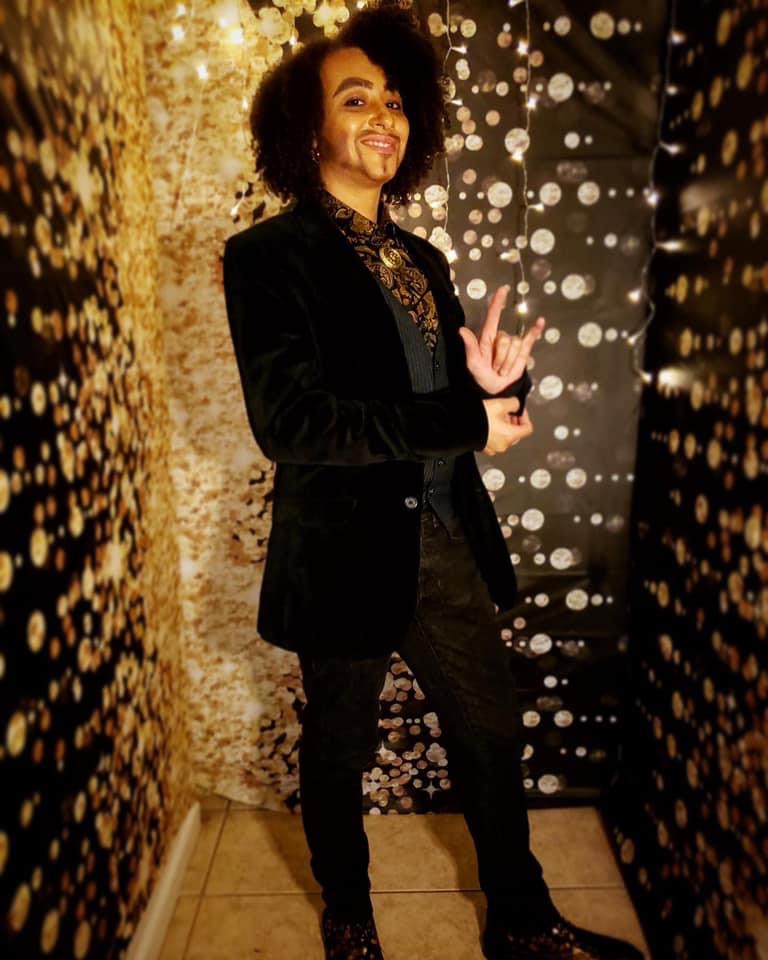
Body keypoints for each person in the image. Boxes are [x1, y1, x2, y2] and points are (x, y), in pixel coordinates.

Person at [222, 5, 643, 959]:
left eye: (399, 100)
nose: (385, 116)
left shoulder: (424, 260)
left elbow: (462, 397)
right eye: (356, 96)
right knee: (337, 754)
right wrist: (462, 418)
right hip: (341, 560)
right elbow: (293, 425)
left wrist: (496, 386)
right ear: (305, 126)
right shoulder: (266, 259)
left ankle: (524, 921)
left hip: (448, 543)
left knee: (491, 741)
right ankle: (350, 917)